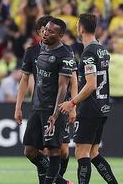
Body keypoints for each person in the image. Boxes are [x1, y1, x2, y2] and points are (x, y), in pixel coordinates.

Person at [59, 13, 118, 184]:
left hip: (90, 107)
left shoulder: (88, 53)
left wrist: (71, 103)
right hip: (103, 106)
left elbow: (91, 84)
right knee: (93, 153)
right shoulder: (102, 49)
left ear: (81, 28)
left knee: (81, 152)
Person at [15, 17, 75, 184]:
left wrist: (57, 114)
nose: (46, 33)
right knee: (29, 150)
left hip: (54, 109)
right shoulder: (34, 51)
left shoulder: (66, 54)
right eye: (45, 29)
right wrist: (18, 106)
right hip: (37, 107)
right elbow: (25, 80)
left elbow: (64, 86)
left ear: (60, 35)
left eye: (50, 31)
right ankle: (61, 182)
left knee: (56, 150)